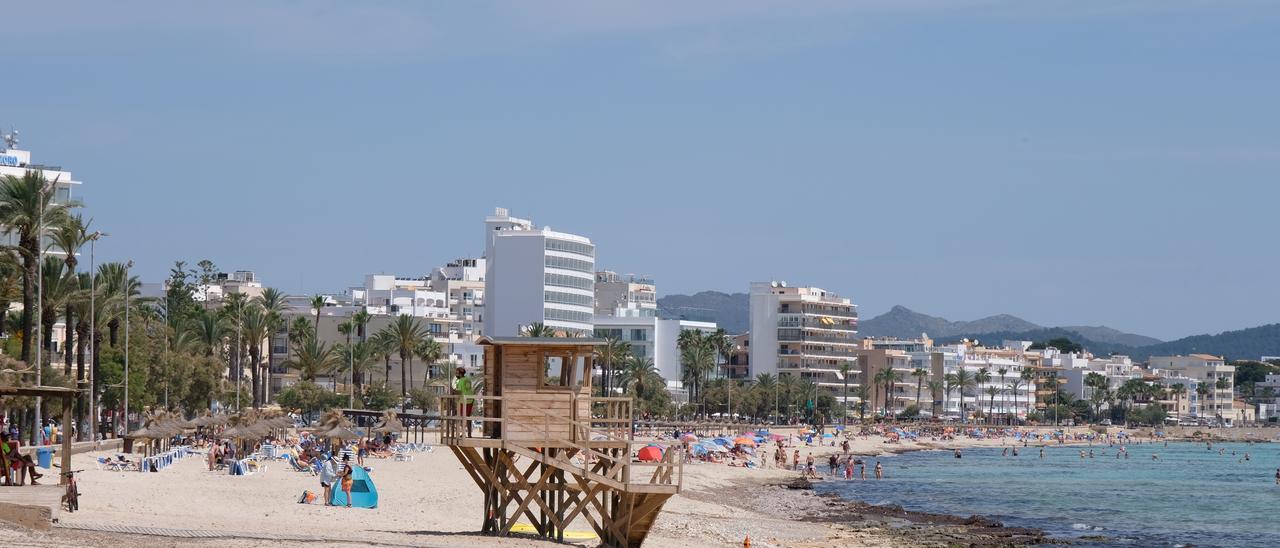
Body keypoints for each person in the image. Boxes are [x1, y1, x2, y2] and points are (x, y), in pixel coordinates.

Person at [451, 367, 475, 437]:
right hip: (470, 400)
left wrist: (452, 390)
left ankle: (463, 433)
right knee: (468, 417)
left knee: (462, 417)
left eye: (457, 373)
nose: (456, 375)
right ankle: (469, 433)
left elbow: (459, 391)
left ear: (460, 374)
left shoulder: (461, 380)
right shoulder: (468, 379)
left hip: (464, 401)